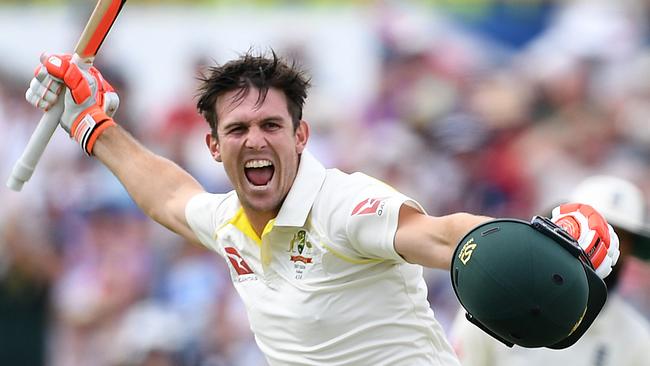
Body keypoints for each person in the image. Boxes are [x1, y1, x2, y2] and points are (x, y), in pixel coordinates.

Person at [24, 51, 619, 365]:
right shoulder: (230, 220)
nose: (255, 140)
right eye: (237, 129)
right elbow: (172, 200)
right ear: (213, 145)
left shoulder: (343, 205)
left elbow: (443, 236)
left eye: (271, 125)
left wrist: (542, 238)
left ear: (301, 136)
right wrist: (93, 124)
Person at [449, 175, 650, 366]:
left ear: (631, 248)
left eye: (618, 238)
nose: (601, 246)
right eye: (592, 231)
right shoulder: (497, 296)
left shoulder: (637, 341)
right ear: (567, 226)